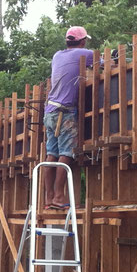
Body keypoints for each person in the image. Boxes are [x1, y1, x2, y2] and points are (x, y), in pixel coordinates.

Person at [44, 26, 94, 210]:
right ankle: (58, 196)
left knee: (51, 154)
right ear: (82, 41)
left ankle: (48, 199)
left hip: (49, 111)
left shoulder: (57, 55)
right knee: (66, 154)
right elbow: (104, 64)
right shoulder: (85, 53)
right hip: (64, 113)